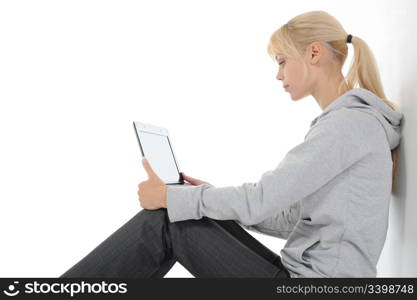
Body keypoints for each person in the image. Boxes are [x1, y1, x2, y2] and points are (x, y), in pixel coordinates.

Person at [60, 10, 403, 278]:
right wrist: (204, 199)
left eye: (282, 61)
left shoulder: (347, 125)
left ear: (313, 53)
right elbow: (288, 217)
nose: (278, 75)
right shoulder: (352, 124)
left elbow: (260, 199)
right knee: (183, 213)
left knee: (166, 220)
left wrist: (174, 198)